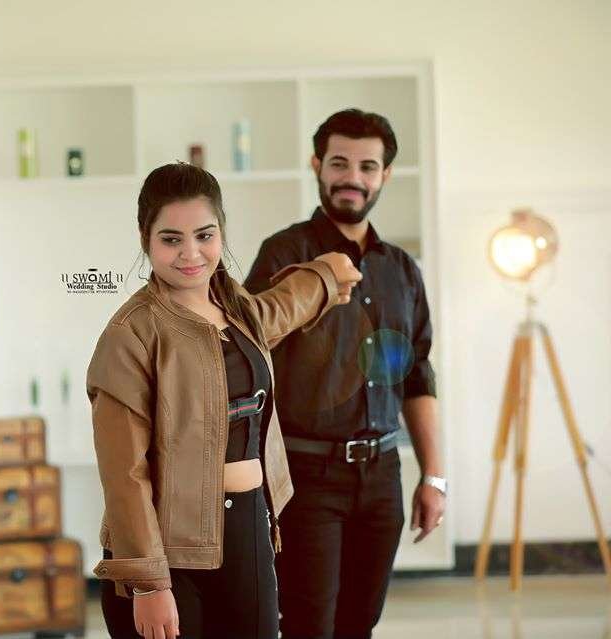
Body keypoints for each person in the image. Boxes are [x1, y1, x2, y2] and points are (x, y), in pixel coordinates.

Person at [86, 162, 362, 639]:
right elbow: (123, 472)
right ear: (145, 239)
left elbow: (278, 310)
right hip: (168, 548)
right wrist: (149, 582)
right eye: (171, 239)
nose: (191, 253)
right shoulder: (130, 334)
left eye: (204, 235)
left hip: (248, 529)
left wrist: (326, 276)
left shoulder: (234, 306)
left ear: (221, 232)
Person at [244, 108, 447, 639]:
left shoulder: (402, 269)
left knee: (360, 624)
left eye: (367, 167)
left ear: (385, 175)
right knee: (310, 626)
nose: (352, 178)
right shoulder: (284, 253)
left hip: (383, 475)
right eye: (339, 163)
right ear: (317, 165)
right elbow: (248, 350)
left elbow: (417, 376)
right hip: (306, 478)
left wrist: (434, 476)